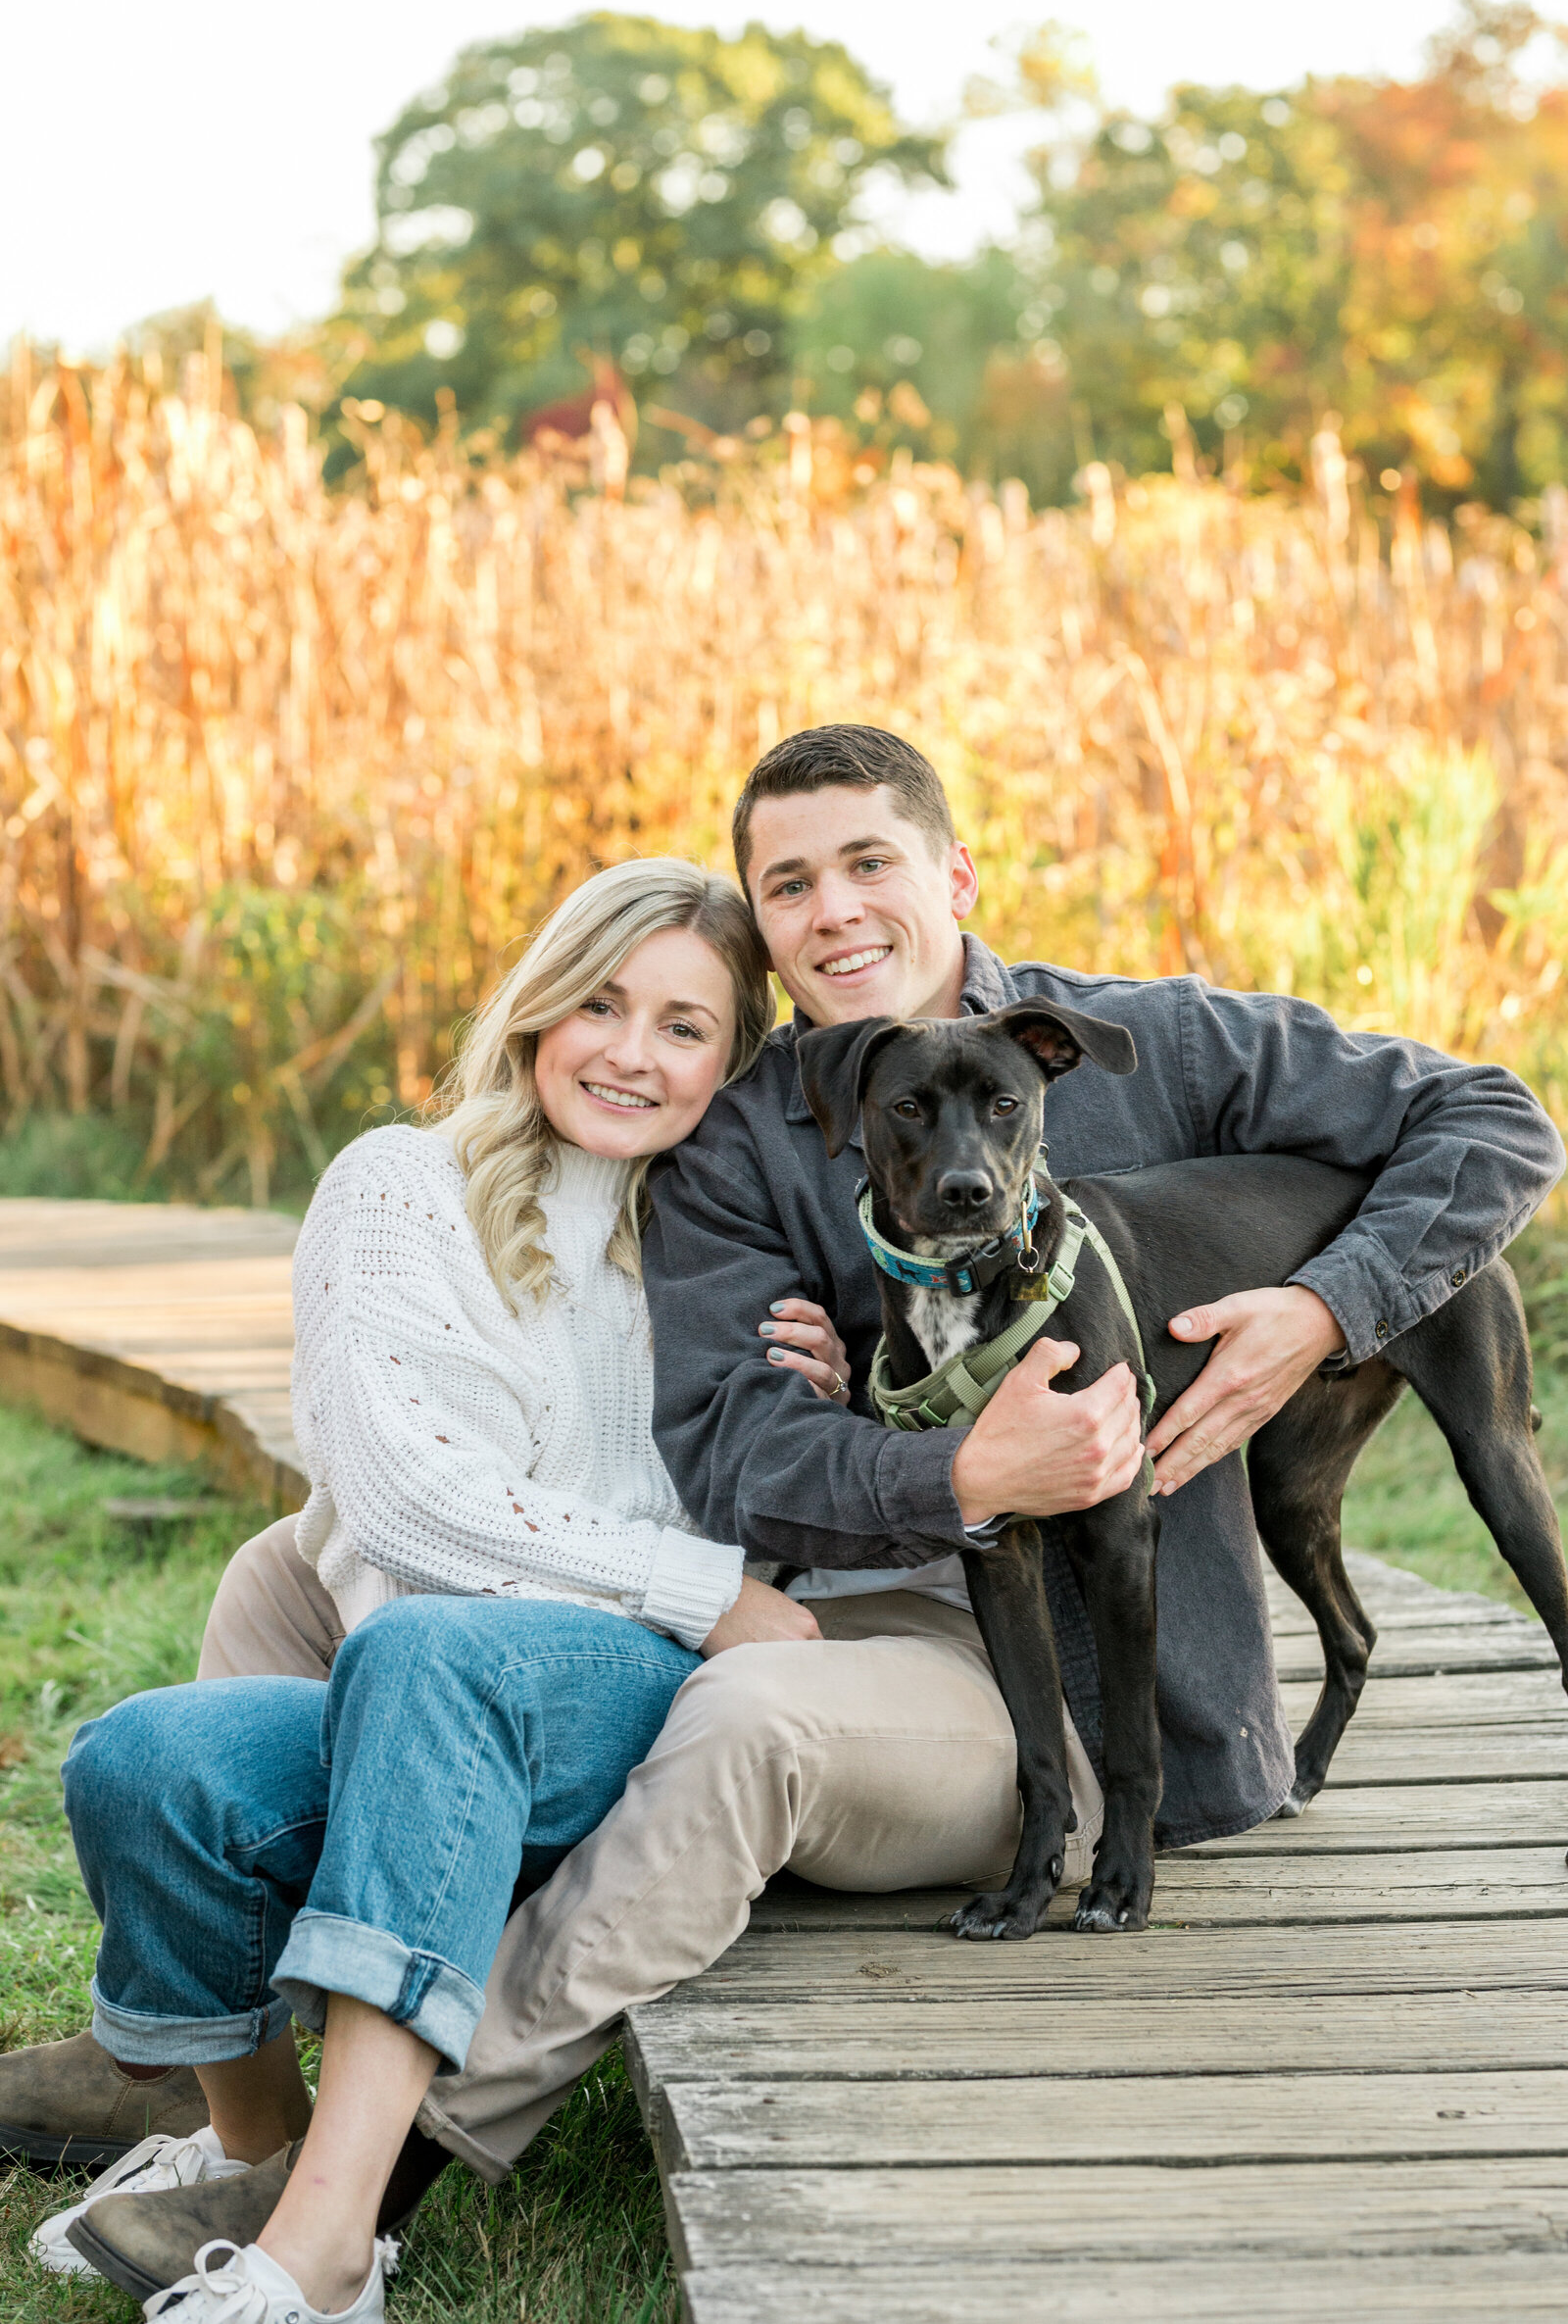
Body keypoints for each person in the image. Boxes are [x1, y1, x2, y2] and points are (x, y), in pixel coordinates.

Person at [12, 726, 1563, 2288]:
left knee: (738, 1709)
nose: (834, 911)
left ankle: (368, 2160)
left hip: (1067, 1669)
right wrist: (947, 1468)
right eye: (789, 884)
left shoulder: (1131, 1037)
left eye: (869, 863)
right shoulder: (751, 1132)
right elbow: (730, 1451)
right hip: (849, 1584)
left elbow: (1495, 1118)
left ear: (952, 871)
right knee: (284, 1573)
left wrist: (1325, 1307)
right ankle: (227, 2033)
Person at [16, 858, 846, 2322]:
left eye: (683, 1026)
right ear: (537, 1008)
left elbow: (790, 1480)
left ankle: (329, 2251)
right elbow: (409, 1490)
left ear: (733, 1062)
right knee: (144, 1759)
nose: (632, 1053)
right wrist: (700, 1583)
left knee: (431, 1650)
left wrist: (815, 1404)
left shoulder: (735, 1249)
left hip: (622, 1693)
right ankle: (253, 2156)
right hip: (444, 1671)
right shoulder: (400, 1183)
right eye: (600, 1002)